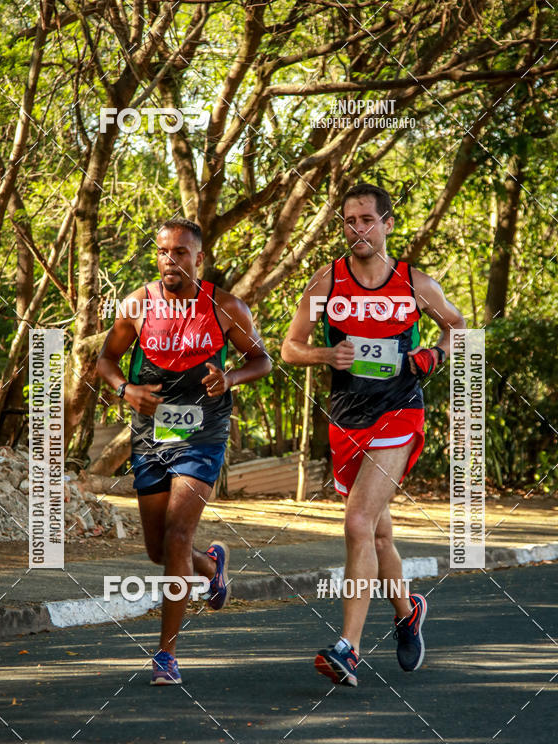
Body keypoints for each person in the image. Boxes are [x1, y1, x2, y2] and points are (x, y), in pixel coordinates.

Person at [281, 183, 465, 686]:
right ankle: (407, 611)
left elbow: (457, 325)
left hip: (399, 413)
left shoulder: (413, 284)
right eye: (349, 221)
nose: (357, 229)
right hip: (346, 418)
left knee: (358, 523)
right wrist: (326, 355)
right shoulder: (327, 283)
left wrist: (436, 354)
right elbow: (290, 348)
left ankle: (349, 647)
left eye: (366, 219)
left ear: (386, 224)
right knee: (380, 533)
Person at [97, 218, 271, 685]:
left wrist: (229, 378)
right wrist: (125, 389)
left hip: (203, 433)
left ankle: (165, 656)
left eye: (179, 252)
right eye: (162, 252)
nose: (169, 260)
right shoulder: (137, 304)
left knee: (177, 536)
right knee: (158, 551)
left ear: (199, 257)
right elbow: (106, 360)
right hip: (150, 436)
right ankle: (211, 565)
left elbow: (262, 359)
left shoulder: (225, 306)